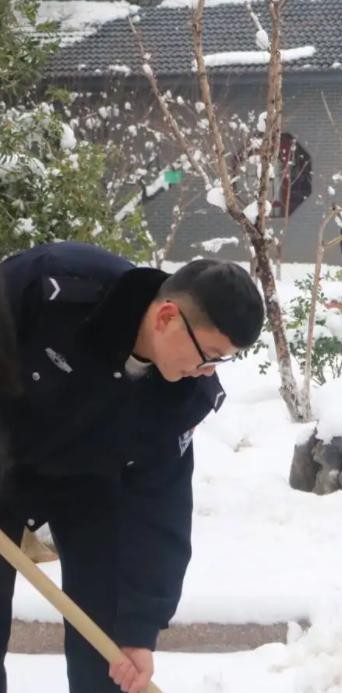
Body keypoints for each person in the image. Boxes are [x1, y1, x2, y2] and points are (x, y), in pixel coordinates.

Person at [0, 241, 264, 693]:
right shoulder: (51, 288)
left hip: (95, 486)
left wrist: (139, 631)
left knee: (110, 648)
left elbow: (161, 503)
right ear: (167, 318)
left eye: (223, 360)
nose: (208, 370)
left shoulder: (183, 393)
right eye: (210, 353)